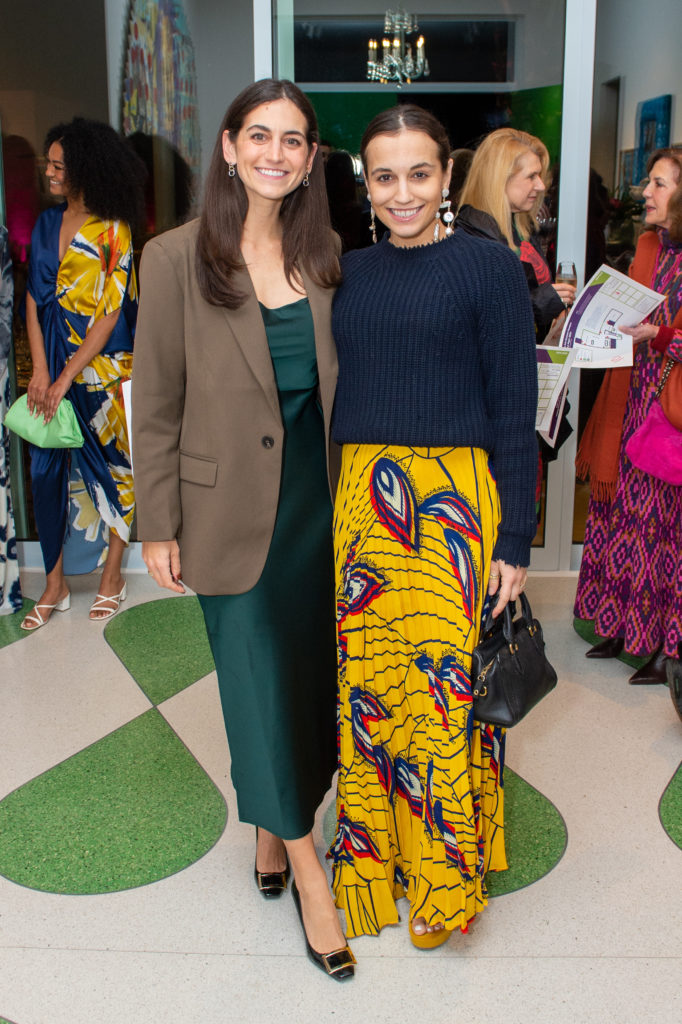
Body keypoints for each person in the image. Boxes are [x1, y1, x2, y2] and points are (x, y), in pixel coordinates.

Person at [131, 79, 355, 981]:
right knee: (256, 680)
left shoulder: (330, 253)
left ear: (309, 160)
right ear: (228, 147)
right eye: (257, 135)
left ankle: (271, 830)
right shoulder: (175, 257)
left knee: (304, 680)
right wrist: (158, 520)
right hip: (224, 509)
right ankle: (310, 874)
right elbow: (156, 401)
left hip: (317, 502)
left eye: (292, 140)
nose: (274, 153)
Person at [328, 105, 538, 947]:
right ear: (366, 183)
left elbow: (515, 409)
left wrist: (514, 540)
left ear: (446, 176)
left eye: (419, 173)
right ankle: (378, 865)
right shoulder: (352, 270)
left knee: (444, 700)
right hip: (361, 510)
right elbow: (347, 398)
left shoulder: (488, 270)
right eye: (385, 176)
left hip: (452, 510)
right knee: (371, 699)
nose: (403, 192)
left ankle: (447, 882)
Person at [22, 118, 144, 629]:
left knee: (115, 470)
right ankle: (55, 582)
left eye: (58, 165)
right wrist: (40, 371)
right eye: (48, 163)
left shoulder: (115, 230)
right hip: (49, 368)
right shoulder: (47, 225)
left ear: (85, 170)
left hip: (102, 370)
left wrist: (65, 376)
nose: (48, 172)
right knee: (44, 471)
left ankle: (112, 574)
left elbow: (111, 315)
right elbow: (33, 299)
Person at [575, 148, 682, 689]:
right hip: (630, 397)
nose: (645, 192)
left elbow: (664, 331)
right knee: (618, 518)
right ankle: (617, 625)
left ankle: (666, 647)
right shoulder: (646, 245)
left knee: (660, 532)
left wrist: (660, 336)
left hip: (669, 412)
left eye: (659, 184)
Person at [456, 127, 576, 335]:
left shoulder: (520, 227)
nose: (540, 186)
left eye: (540, 175)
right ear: (500, 179)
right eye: (531, 176)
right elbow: (481, 316)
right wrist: (542, 303)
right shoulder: (472, 237)